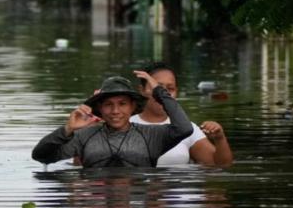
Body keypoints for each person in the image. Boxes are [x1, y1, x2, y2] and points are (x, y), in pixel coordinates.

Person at [32, 71, 192, 168]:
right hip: (99, 202)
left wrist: (159, 91)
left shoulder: (151, 135)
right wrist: (67, 129)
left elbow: (184, 128)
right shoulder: (84, 136)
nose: (115, 111)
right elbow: (41, 156)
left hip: (136, 199)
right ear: (100, 108)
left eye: (122, 104)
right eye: (108, 104)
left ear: (132, 107)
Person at [133, 62, 234, 167]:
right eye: (157, 88)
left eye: (170, 89)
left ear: (176, 92)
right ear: (142, 90)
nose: (163, 94)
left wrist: (220, 139)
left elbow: (220, 166)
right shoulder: (126, 125)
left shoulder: (187, 128)